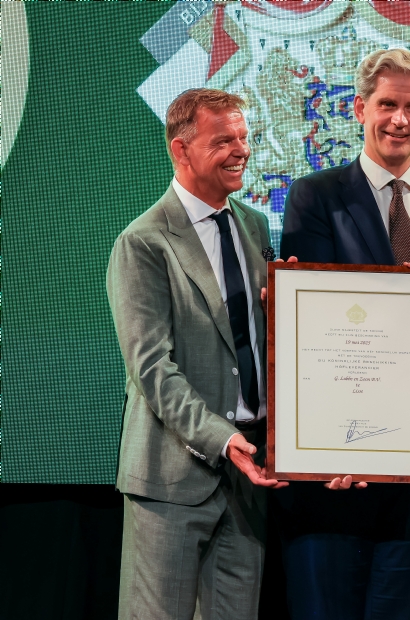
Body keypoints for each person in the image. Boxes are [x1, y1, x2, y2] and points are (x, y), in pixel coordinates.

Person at [275, 48, 410, 619]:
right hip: (335, 468)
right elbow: (305, 329)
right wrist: (324, 442)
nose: (400, 119)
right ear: (358, 108)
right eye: (387, 104)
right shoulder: (315, 197)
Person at [106, 89, 287, 620]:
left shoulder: (255, 226)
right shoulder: (142, 243)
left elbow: (255, 342)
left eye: (244, 137)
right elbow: (152, 369)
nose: (241, 151)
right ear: (180, 151)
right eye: (223, 141)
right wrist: (221, 438)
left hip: (249, 478)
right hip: (170, 477)